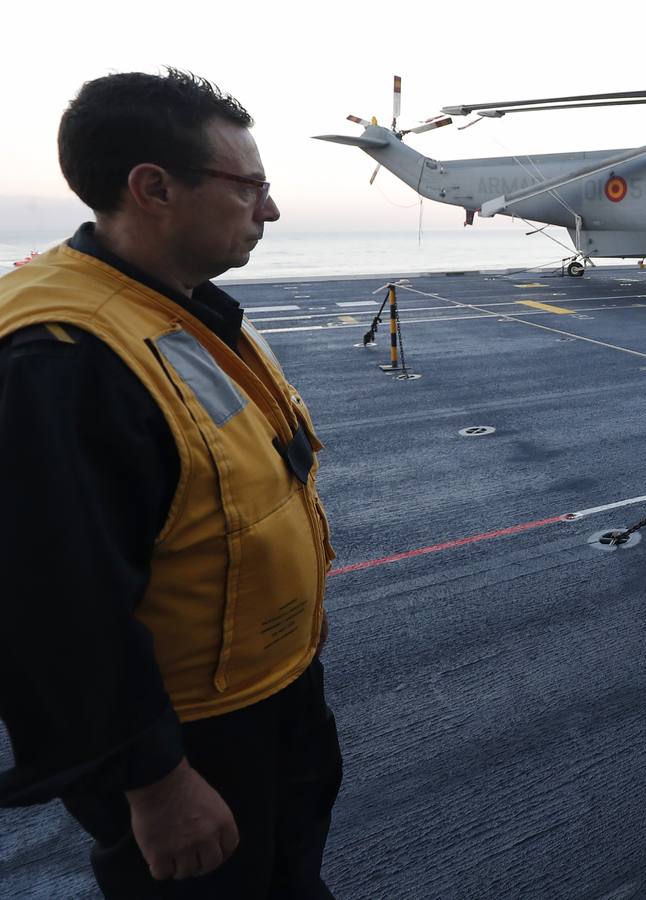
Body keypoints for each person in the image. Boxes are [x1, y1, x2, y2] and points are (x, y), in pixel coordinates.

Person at [0, 70, 341, 897]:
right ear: (152, 189)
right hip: (193, 738)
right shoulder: (61, 359)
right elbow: (52, 609)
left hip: (267, 695)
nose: (270, 210)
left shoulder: (176, 306)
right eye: (249, 187)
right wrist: (155, 781)